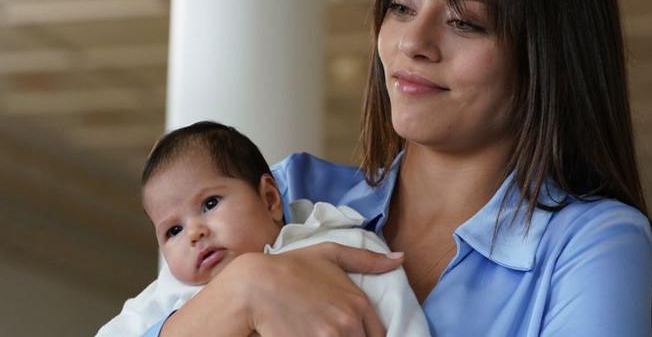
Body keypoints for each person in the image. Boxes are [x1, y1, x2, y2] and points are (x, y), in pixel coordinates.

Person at [140, 0, 652, 336]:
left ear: (548, 53)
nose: (413, 42)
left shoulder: (592, 241)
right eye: (401, 6)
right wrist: (244, 285)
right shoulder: (287, 190)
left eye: (465, 21)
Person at [97, 121, 429, 337]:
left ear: (270, 197)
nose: (194, 232)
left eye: (210, 204)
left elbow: (403, 323)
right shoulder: (168, 294)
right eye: (173, 231)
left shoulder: (344, 242)